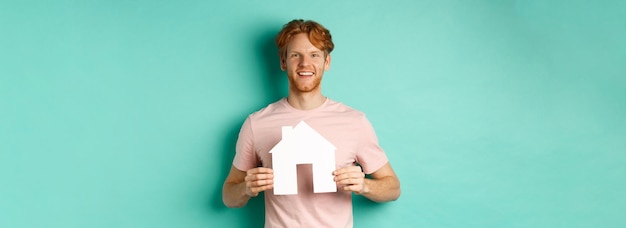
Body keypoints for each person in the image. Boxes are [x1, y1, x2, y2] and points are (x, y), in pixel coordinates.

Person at [222, 19, 401, 228]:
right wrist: (246, 188)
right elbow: (229, 196)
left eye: (314, 55)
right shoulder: (256, 123)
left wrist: (364, 186)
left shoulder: (354, 122)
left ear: (326, 62)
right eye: (295, 55)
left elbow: (393, 188)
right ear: (283, 61)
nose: (305, 63)